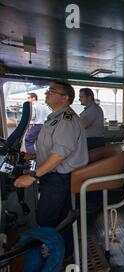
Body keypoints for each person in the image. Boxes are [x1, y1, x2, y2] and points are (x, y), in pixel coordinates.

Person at [14, 81, 88, 254]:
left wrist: (32, 176)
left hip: (59, 177)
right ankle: (64, 252)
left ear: (65, 98)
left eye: (51, 91)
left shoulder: (66, 119)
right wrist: (33, 156)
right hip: (53, 174)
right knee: (61, 218)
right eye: (48, 91)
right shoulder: (55, 118)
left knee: (46, 217)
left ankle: (53, 255)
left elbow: (59, 155)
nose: (47, 93)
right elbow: (53, 148)